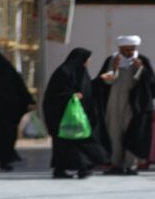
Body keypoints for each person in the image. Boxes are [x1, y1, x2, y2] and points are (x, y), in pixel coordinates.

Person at [93, 35, 155, 175]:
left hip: (135, 106)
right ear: (120, 48)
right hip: (114, 103)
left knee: (133, 133)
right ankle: (116, 164)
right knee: (114, 133)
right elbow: (105, 81)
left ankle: (130, 165)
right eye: (126, 49)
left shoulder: (141, 61)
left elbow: (150, 84)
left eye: (132, 49)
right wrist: (114, 68)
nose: (129, 52)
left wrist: (141, 70)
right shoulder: (112, 60)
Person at [43, 48, 109, 179]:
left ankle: (61, 170)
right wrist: (70, 95)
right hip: (63, 117)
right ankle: (82, 168)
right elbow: (54, 94)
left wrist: (100, 80)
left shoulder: (81, 72)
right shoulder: (63, 72)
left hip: (77, 116)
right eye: (87, 58)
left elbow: (87, 90)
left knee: (71, 143)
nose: (89, 61)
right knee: (72, 143)